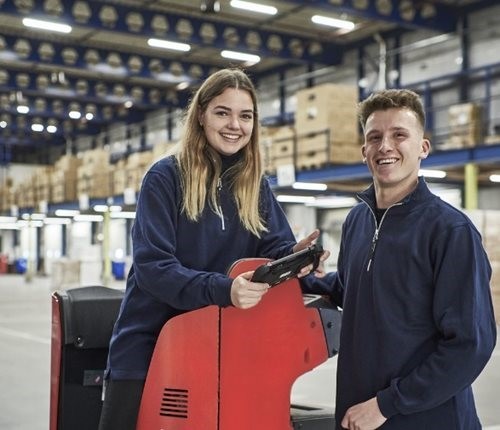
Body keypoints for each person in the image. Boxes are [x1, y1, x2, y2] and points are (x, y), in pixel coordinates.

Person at [97, 68, 330, 430]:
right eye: (223, 112)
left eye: (245, 115)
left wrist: (295, 259)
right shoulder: (165, 177)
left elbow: (271, 246)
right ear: (201, 115)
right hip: (151, 343)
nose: (234, 124)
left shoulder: (254, 184)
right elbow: (153, 268)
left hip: (223, 342)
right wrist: (225, 289)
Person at [326, 88, 497, 429]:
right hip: (358, 415)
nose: (385, 146)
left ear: (423, 148)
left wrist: (386, 405)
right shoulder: (356, 222)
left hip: (427, 419)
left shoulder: (450, 231)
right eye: (375, 137)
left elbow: (469, 345)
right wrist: (298, 272)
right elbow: (349, 290)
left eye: (399, 135)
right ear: (364, 151)